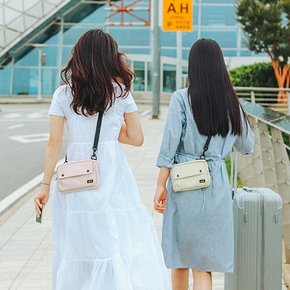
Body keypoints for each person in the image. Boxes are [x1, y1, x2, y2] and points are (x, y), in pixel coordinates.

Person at [34, 29, 170, 290]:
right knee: (114, 238)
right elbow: (137, 138)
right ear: (110, 57)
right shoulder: (120, 93)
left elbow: (54, 142)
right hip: (112, 174)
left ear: (80, 57)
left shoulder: (63, 94)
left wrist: (44, 185)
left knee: (79, 244)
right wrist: (109, 131)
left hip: (75, 175)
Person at [154, 38, 255, 290]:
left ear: (193, 67)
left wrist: (160, 184)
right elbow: (247, 146)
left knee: (179, 258)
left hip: (184, 182)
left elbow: (170, 143)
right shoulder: (232, 103)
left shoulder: (181, 99)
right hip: (216, 187)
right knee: (203, 265)